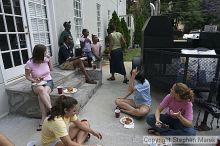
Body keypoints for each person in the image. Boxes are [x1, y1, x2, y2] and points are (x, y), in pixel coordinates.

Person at [25, 44, 54, 131]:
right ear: (40, 53)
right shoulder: (29, 63)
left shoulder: (46, 59)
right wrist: (35, 80)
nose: (47, 53)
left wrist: (50, 60)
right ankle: (52, 110)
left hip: (48, 81)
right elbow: (27, 76)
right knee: (41, 89)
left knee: (41, 95)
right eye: (45, 52)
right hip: (36, 84)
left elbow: (51, 69)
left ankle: (43, 118)